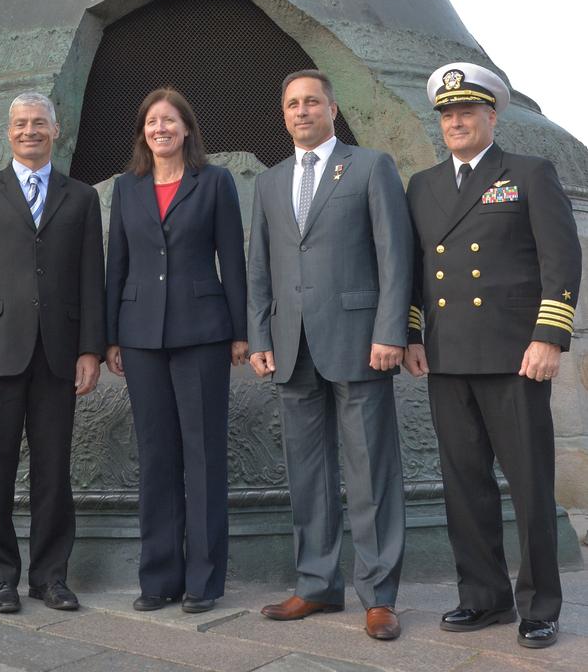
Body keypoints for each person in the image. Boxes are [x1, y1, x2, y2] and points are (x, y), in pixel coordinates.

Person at [405, 62, 582, 651]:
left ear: (491, 114)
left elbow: (561, 259)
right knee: (464, 485)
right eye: (447, 114)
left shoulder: (528, 173)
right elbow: (414, 269)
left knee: (530, 485)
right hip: (448, 355)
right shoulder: (424, 185)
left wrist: (549, 336)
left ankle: (540, 605)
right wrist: (412, 334)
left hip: (515, 356)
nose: (455, 121)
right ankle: (482, 597)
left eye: (466, 111)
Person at [247, 71, 412, 641]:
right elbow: (260, 268)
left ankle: (379, 595)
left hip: (361, 342)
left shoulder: (369, 167)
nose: (301, 112)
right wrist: (261, 337)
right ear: (283, 114)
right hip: (291, 347)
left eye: (311, 102)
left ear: (332, 110)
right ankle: (316, 583)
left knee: (371, 473)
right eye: (291, 104)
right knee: (308, 475)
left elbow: (395, 255)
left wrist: (392, 330)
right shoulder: (270, 184)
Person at [0, 91, 105, 615]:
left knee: (53, 470)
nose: (30, 131)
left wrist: (91, 349)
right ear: (8, 131)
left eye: (39, 123)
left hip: (59, 353)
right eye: (20, 124)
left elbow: (92, 279)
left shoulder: (81, 197)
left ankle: (49, 576)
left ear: (56, 131)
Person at [105, 88, 247, 614]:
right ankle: (159, 578)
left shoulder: (214, 182)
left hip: (203, 333)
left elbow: (232, 258)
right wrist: (111, 337)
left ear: (187, 129)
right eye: (150, 122)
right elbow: (114, 262)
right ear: (143, 132)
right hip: (141, 336)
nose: (159, 128)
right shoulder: (127, 187)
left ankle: (204, 581)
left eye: (169, 121)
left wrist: (239, 331)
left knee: (203, 455)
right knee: (156, 456)